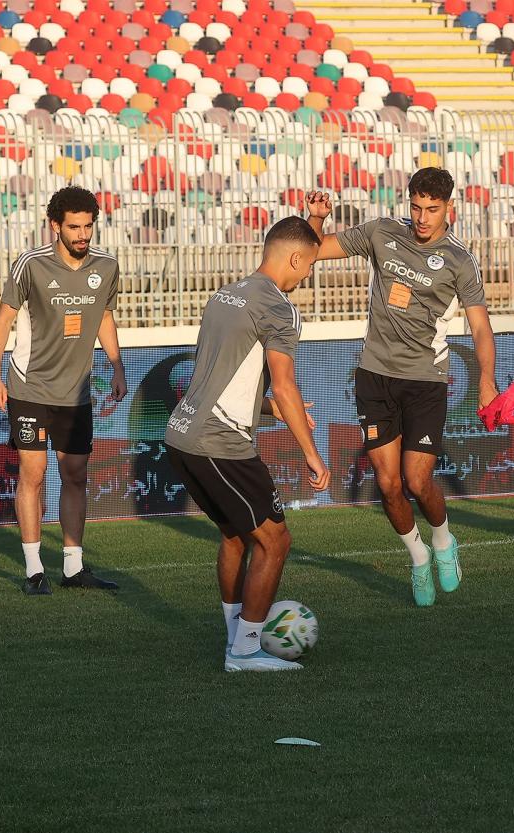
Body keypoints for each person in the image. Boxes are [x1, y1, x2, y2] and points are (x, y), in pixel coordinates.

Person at [305, 167, 498, 607]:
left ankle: (443, 540)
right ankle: (418, 557)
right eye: (416, 207)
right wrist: (316, 218)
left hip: (425, 380)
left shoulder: (459, 260)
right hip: (374, 376)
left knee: (417, 478)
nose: (423, 217)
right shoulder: (382, 232)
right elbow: (314, 251)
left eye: (432, 209)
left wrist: (486, 380)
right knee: (389, 484)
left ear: (450, 207)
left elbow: (481, 328)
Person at [163, 216, 330, 672]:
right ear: (294, 258)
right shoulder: (279, 308)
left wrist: (276, 410)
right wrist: (312, 453)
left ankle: (237, 635)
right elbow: (285, 384)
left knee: (236, 535)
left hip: (182, 434)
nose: (307, 275)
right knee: (275, 540)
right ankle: (244, 651)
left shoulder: (224, 295)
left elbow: (222, 377)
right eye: (309, 265)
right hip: (219, 441)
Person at [0, 186, 127, 595]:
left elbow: (104, 316)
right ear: (55, 226)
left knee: (75, 474)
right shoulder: (31, 264)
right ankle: (34, 571)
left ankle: (73, 568)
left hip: (76, 393)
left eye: (88, 226)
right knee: (33, 473)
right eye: (74, 227)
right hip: (29, 387)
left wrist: (117, 366)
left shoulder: (107, 266)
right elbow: (3, 319)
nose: (83, 234)